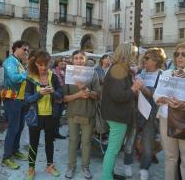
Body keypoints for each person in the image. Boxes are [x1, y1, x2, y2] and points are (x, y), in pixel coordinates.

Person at [101, 42, 143, 180]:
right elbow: (118, 95)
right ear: (127, 54)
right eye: (134, 54)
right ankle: (106, 177)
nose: (136, 56)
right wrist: (134, 88)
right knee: (113, 150)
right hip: (117, 115)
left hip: (116, 114)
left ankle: (109, 174)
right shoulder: (118, 69)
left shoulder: (120, 68)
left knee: (113, 149)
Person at [124, 48, 165, 180]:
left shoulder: (162, 75)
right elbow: (133, 93)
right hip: (136, 112)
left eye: (147, 58)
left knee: (148, 144)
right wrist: (134, 91)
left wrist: (141, 87)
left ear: (156, 60)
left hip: (151, 115)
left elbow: (156, 96)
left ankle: (144, 168)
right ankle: (128, 164)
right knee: (130, 140)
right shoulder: (141, 73)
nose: (144, 60)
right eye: (144, 58)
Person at [25, 50, 62, 180]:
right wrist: (39, 94)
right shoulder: (30, 78)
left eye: (45, 64)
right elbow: (27, 99)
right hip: (35, 116)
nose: (43, 68)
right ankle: (31, 168)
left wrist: (53, 92)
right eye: (40, 65)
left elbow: (60, 96)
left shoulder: (54, 76)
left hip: (51, 115)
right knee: (33, 143)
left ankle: (50, 166)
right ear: (35, 64)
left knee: (49, 142)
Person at [63, 50, 101, 179]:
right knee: (73, 141)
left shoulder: (93, 74)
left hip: (88, 113)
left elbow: (97, 95)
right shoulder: (69, 74)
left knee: (86, 142)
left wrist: (86, 90)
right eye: (76, 58)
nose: (79, 60)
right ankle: (71, 167)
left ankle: (85, 167)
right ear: (73, 60)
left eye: (81, 58)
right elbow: (64, 98)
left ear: (86, 60)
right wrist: (78, 94)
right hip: (73, 113)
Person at [155, 43, 185, 180]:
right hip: (166, 118)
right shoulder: (166, 73)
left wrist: (183, 104)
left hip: (183, 118)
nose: (180, 57)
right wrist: (164, 99)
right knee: (170, 157)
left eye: (183, 54)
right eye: (177, 54)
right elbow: (156, 95)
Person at [1, 40, 29, 169]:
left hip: (21, 100)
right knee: (13, 128)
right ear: (16, 48)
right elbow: (15, 78)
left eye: (27, 50)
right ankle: (6, 157)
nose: (26, 52)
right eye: (24, 49)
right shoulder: (9, 61)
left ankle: (15, 150)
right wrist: (27, 73)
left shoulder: (19, 62)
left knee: (19, 127)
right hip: (12, 99)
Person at [52, 57, 66, 139]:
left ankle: (56, 133)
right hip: (55, 97)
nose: (63, 62)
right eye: (61, 61)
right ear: (57, 62)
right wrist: (57, 96)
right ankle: (51, 134)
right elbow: (52, 86)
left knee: (58, 116)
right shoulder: (53, 72)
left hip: (63, 96)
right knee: (54, 117)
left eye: (64, 61)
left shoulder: (64, 72)